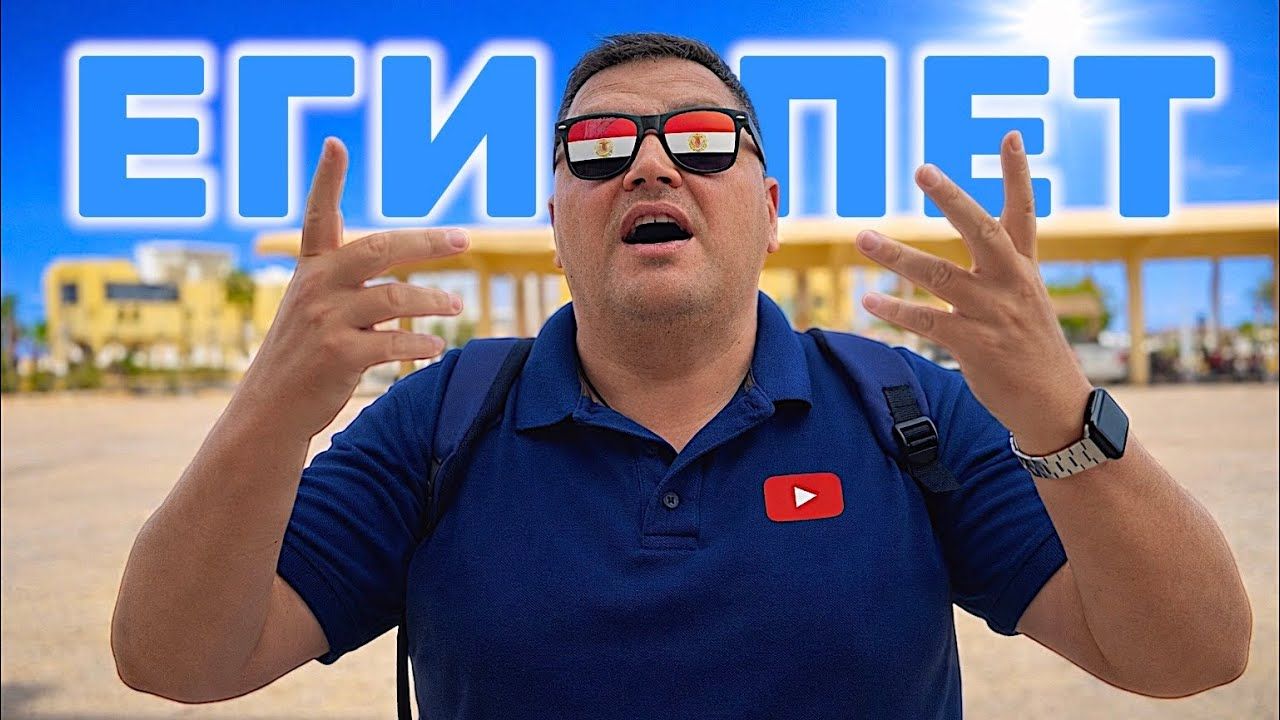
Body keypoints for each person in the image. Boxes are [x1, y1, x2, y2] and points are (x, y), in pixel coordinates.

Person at [110, 33, 1251, 718]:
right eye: (599, 147)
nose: (651, 163)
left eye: (703, 139)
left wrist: (1060, 412)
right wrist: (271, 409)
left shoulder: (905, 409)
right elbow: (175, 662)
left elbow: (1192, 657)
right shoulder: (440, 422)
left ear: (770, 206)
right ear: (555, 220)